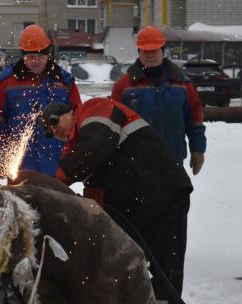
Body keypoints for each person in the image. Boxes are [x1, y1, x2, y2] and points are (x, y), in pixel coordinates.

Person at [41, 98, 193, 303]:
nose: (56, 133)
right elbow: (96, 195)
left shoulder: (94, 109)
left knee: (165, 270)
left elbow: (94, 147)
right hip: (137, 205)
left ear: (68, 112)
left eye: (54, 123)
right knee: (126, 265)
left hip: (163, 190)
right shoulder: (77, 150)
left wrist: (51, 181)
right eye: (51, 133)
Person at [0, 24, 81, 178]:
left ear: (48, 55)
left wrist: (73, 159)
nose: (35, 61)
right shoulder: (7, 83)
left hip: (56, 164)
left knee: (54, 201)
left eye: (40, 56)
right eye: (30, 57)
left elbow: (78, 121)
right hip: (20, 164)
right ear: (23, 55)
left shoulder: (64, 82)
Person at [111, 26, 206, 175]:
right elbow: (113, 124)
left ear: (163, 51)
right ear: (139, 52)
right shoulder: (123, 85)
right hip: (136, 163)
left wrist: (198, 149)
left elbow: (194, 119)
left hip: (172, 158)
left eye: (154, 51)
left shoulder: (181, 83)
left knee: (174, 198)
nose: (150, 55)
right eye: (145, 51)